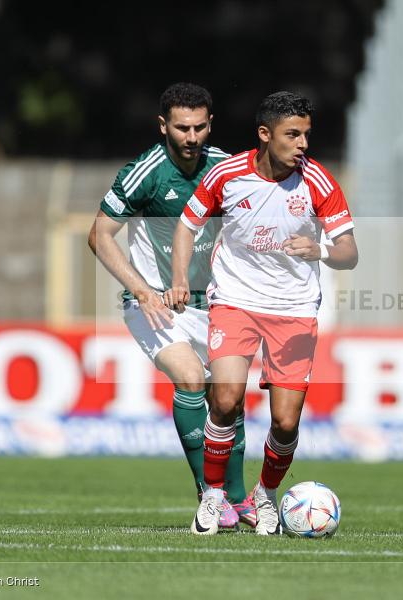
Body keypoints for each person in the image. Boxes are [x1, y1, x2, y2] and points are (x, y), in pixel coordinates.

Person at [167, 91, 358, 535]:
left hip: (293, 310)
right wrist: (179, 278)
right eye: (293, 135)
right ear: (265, 135)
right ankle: (213, 497)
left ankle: (266, 496)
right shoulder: (226, 175)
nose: (303, 144)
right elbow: (187, 224)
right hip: (235, 302)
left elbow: (349, 252)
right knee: (227, 400)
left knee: (286, 421)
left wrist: (321, 248)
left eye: (307, 135)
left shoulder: (320, 183)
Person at [88, 82, 255, 529]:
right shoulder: (145, 172)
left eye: (200, 126)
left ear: (210, 125)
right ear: (164, 126)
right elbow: (99, 235)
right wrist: (142, 291)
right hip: (156, 305)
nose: (191, 136)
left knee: (230, 400)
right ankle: (210, 493)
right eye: (182, 127)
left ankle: (239, 501)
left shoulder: (228, 170)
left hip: (216, 305)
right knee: (189, 379)